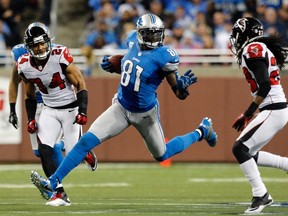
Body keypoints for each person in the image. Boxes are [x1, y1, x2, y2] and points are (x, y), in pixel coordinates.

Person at [29, 13, 217, 203]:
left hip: (145, 114)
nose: (154, 38)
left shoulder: (164, 55)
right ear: (139, 33)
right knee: (86, 141)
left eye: (156, 34)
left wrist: (182, 86)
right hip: (120, 107)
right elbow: (133, 63)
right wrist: (115, 63)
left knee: (162, 154)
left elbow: (178, 93)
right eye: (149, 34)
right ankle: (53, 182)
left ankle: (202, 131)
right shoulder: (131, 40)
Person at [18, 22, 97, 206]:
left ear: (48, 42)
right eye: (35, 45)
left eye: (42, 43)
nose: (40, 48)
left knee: (73, 157)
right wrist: (30, 118)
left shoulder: (59, 55)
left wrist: (83, 110)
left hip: (71, 109)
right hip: (48, 110)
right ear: (28, 47)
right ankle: (59, 193)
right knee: (44, 149)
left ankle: (84, 151)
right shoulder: (24, 65)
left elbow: (80, 84)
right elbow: (29, 95)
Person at [229, 17, 288, 214]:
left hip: (273, 107)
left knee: (240, 148)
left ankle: (261, 194)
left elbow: (264, 85)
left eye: (237, 35)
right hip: (274, 107)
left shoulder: (252, 49)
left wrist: (247, 113)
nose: (235, 40)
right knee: (249, 153)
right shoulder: (259, 48)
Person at [8, 43, 64, 166]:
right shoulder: (20, 56)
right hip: (36, 104)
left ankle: (57, 181)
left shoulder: (51, 53)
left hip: (53, 103)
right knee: (39, 151)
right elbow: (14, 82)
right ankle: (69, 143)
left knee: (53, 147)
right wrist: (12, 109)